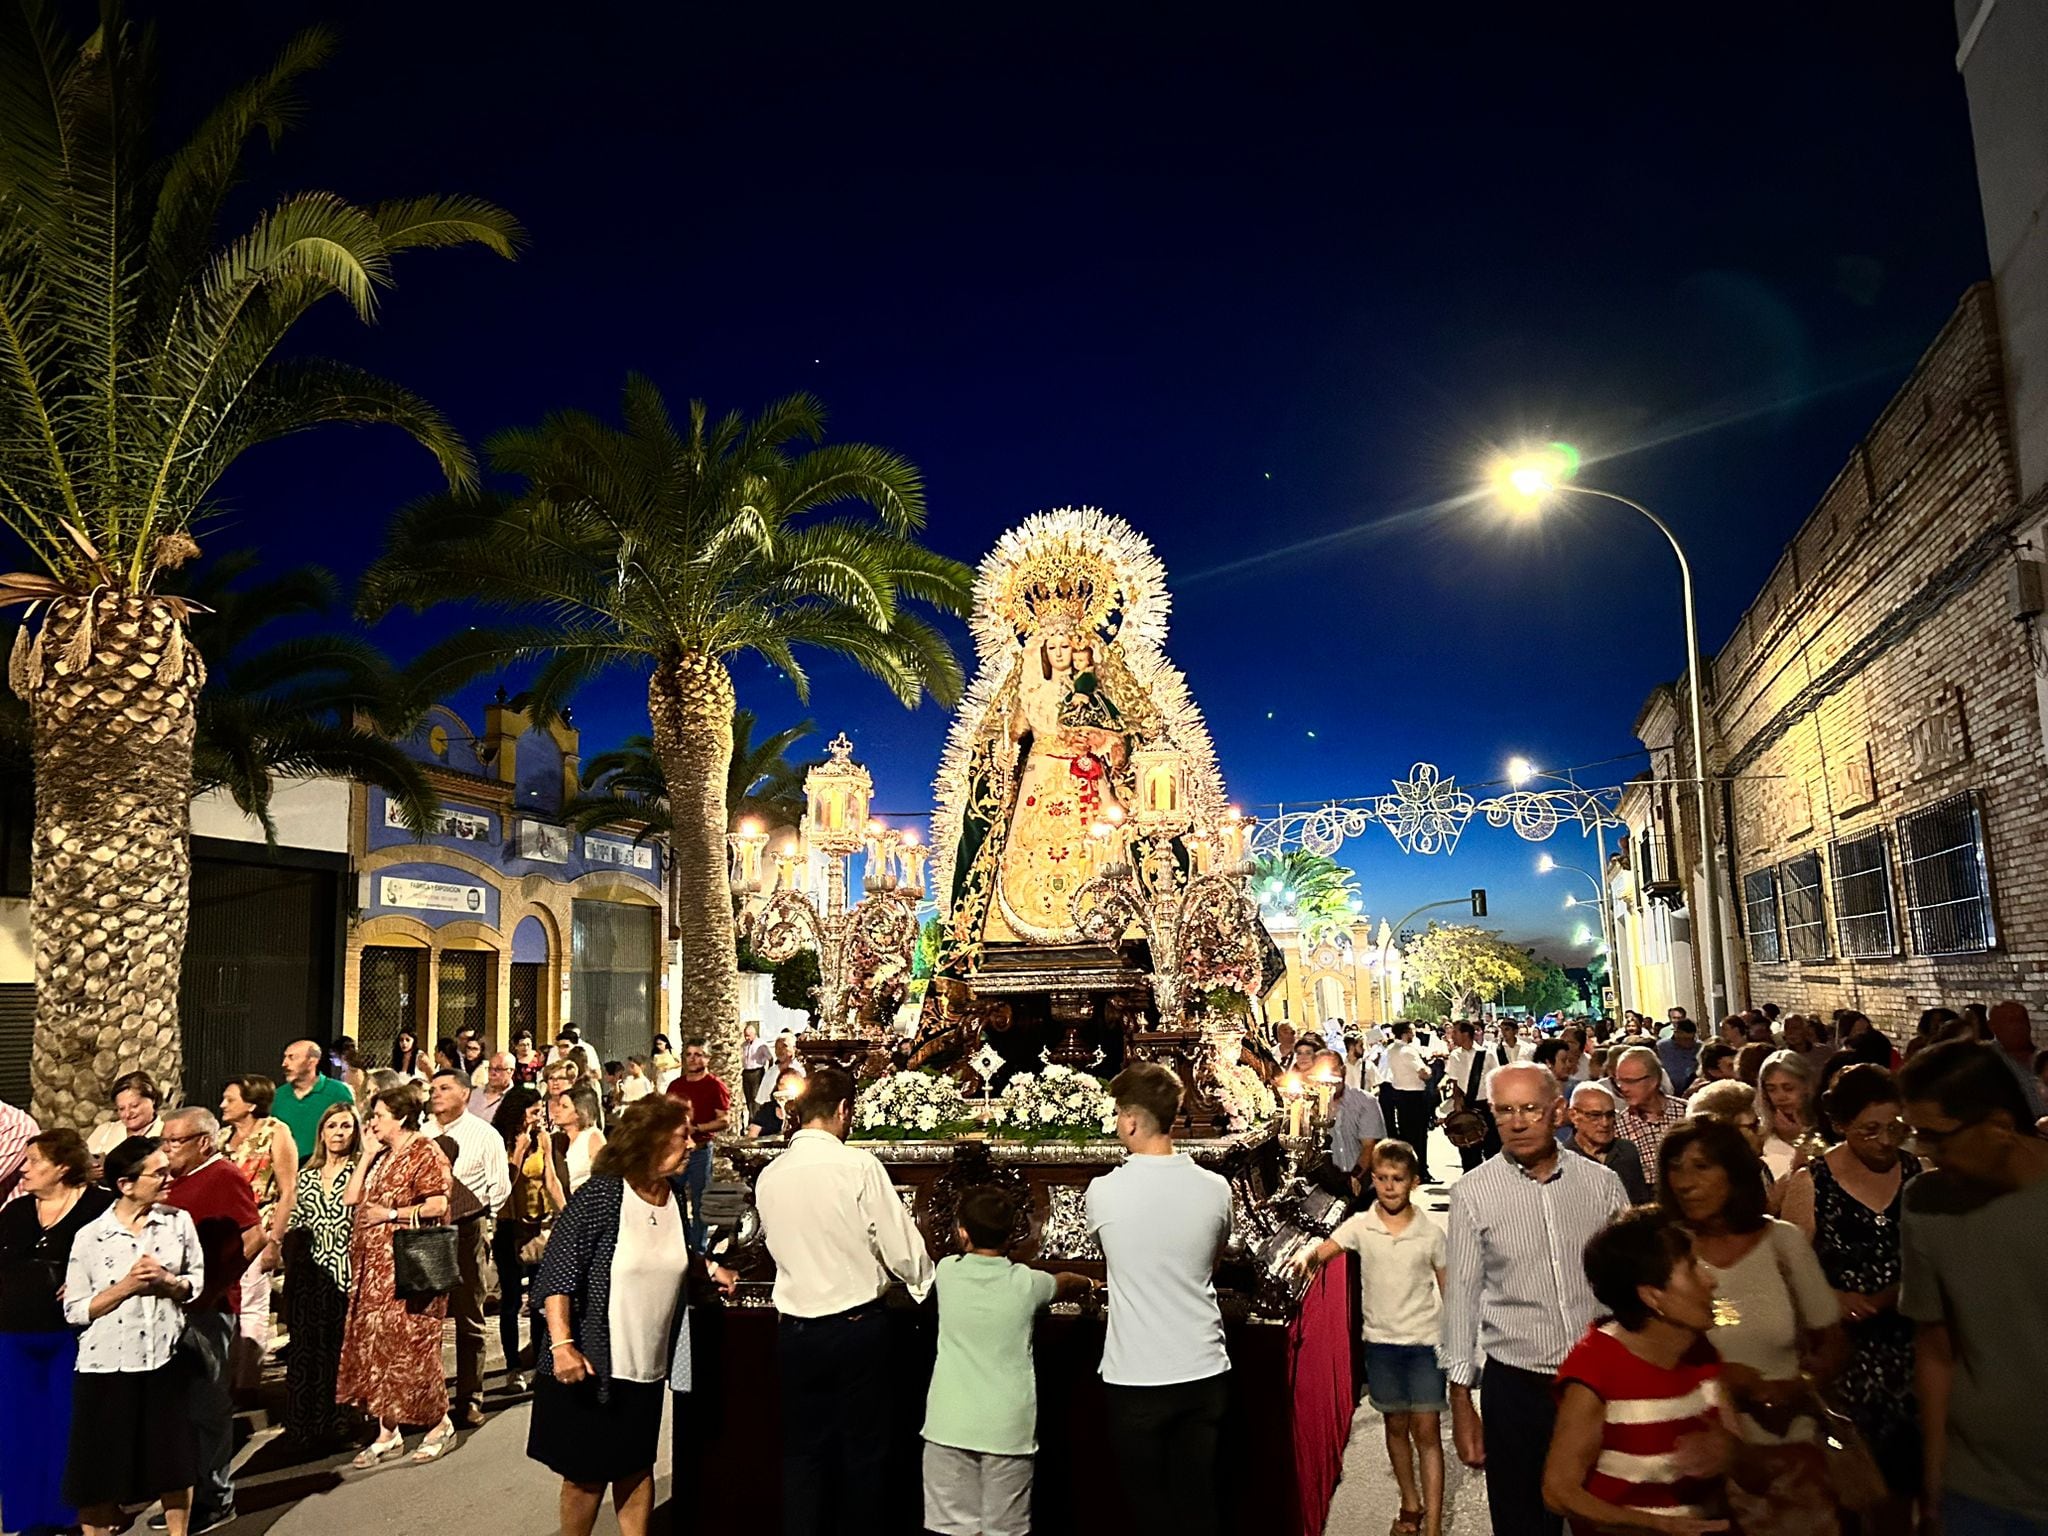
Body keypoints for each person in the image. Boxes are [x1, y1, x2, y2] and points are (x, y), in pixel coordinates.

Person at [529, 1094, 736, 1536]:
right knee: (586, 1477)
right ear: (651, 1140)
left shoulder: (674, 1195)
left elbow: (672, 1253)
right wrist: (563, 1345)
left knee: (636, 1466)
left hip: (647, 1366)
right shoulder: (602, 1196)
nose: (693, 1145)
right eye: (683, 1137)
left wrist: (710, 1267)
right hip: (592, 1364)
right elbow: (558, 1275)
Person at [1442, 1065, 1627, 1536]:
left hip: (1600, 1385)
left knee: (1609, 1516)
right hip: (1518, 1387)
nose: (1518, 1122)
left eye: (1530, 1109)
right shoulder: (1473, 1193)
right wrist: (1461, 1400)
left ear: (1558, 1111)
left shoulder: (1601, 1186)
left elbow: (1633, 1283)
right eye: (1505, 1110)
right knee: (1524, 1521)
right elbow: (1462, 1295)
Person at [755, 1065, 935, 1536]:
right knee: (864, 1456)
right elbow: (901, 1247)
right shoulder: (858, 1166)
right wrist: (925, 1285)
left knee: (801, 1454)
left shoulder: (771, 1175)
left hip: (794, 1330)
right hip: (855, 1329)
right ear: (842, 1111)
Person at [1659, 1119, 1845, 1536]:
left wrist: (1797, 1385)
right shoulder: (1665, 1250)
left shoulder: (1783, 1242)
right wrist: (1724, 1380)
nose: (1685, 1183)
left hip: (1789, 1461)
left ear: (1735, 1172)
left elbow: (1832, 1343)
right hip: (1693, 1462)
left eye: (1702, 1167)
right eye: (1676, 1168)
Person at [1896, 1040, 2048, 1536]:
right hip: (1979, 1491)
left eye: (1937, 1137)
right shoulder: (1926, 1205)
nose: (1926, 1153)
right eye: (1916, 1136)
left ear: (2000, 1126)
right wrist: (1935, 1485)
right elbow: (1937, 1349)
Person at [1086, 1061, 1232, 1536]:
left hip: (1136, 1375)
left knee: (1149, 1508)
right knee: (1200, 1502)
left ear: (1130, 1120)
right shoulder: (1215, 1189)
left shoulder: (1103, 1193)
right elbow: (1210, 1264)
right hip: (1203, 1367)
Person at [1776, 1066, 1920, 1529]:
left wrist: (1892, 1295)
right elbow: (1789, 1269)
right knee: (1854, 1483)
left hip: (1910, 1345)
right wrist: (1832, 1297)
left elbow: (1934, 1258)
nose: (1884, 1141)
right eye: (1870, 1130)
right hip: (1845, 1355)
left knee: (1908, 1483)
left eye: (1894, 1128)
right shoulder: (1814, 1183)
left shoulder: (1917, 1174)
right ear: (1840, 1126)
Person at [1543, 1206, 1733, 1535]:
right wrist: (1658, 1525)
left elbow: (1740, 1451)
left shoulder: (1702, 1353)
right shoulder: (1597, 1368)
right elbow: (1559, 1492)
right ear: (1652, 1296)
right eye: (1691, 1268)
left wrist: (1731, 1451)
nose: (1710, 1280)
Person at [922, 1184, 1092, 1536]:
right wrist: (1089, 1282)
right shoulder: (1027, 1284)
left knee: (949, 1527)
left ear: (962, 1233)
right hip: (1007, 1427)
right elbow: (1065, 1282)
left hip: (949, 1423)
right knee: (1005, 1529)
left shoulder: (948, 1272)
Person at [1297, 1141, 1448, 1536]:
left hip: (1423, 1344)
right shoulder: (1361, 1225)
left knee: (1427, 1433)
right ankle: (1410, 1502)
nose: (1388, 1187)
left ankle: (1432, 1523)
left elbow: (1450, 1290)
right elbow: (1327, 1249)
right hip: (1381, 1345)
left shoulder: (1430, 1234)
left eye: (1397, 1179)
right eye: (1381, 1178)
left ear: (1413, 1182)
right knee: (1395, 1427)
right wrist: (1306, 1257)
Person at [62, 1138, 204, 1536]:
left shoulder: (178, 1222)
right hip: (106, 1367)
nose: (169, 1178)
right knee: (98, 1474)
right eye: (158, 1173)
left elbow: (196, 1283)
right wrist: (125, 1287)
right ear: (126, 1184)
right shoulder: (91, 1237)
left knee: (174, 1465)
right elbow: (74, 1309)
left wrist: (168, 1282)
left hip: (164, 1359)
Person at [336, 1084, 456, 1466]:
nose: (372, 1123)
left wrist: (390, 1215)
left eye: (379, 1116)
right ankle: (387, 1431)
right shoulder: (382, 1155)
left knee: (413, 1347)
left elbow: (438, 1203)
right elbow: (352, 1199)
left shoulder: (424, 1151)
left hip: (409, 1268)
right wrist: (367, 1156)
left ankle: (439, 1423)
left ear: (401, 1117)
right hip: (373, 1269)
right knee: (375, 1346)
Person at [0, 1130, 112, 1536]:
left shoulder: (102, 1207)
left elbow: (123, 1256)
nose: (23, 1168)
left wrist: (94, 1281)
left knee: (67, 1425)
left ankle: (72, 1515)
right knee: (18, 1427)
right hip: (14, 1334)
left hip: (73, 1335)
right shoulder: (14, 1213)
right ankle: (29, 1519)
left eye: (33, 1161)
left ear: (63, 1166)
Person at [156, 1107, 257, 1533]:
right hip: (170, 1309)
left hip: (208, 1312)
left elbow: (253, 1236)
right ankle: (183, 1497)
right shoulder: (171, 1180)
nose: (166, 1148)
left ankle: (216, 1497)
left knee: (206, 1409)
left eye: (175, 1141)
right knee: (174, 1410)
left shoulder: (224, 1176)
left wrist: (212, 1286)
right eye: (164, 1141)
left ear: (203, 1141)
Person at [425, 1065, 512, 1428]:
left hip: (468, 1229)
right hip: (427, 1232)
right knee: (426, 1316)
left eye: (444, 1088)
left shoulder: (484, 1134)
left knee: (468, 1315)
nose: (436, 1094)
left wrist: (482, 1219)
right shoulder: (422, 1135)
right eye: (433, 1089)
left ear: (464, 1093)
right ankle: (428, 1399)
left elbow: (500, 1186)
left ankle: (470, 1397)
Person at [281, 1101, 364, 1449]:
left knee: (339, 1351)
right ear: (321, 1133)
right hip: (309, 1276)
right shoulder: (307, 1174)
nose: (338, 1134)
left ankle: (339, 1422)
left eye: (345, 1126)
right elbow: (296, 1221)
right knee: (304, 1350)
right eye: (332, 1126)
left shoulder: (361, 1173)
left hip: (347, 1274)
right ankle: (301, 1425)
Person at [218, 1074, 297, 1393]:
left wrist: (274, 1240)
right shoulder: (223, 1137)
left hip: (259, 1223)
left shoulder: (275, 1132)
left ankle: (246, 1382)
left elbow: (287, 1189)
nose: (223, 1104)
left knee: (252, 1302)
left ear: (251, 1104)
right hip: (223, 1229)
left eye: (231, 1099)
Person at [496, 1086, 564, 1391]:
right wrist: (519, 1152)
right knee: (511, 1300)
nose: (539, 1117)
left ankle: (539, 1361)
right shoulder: (500, 1139)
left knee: (540, 1298)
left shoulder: (542, 1138)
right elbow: (502, 1185)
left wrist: (567, 1213)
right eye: (534, 1111)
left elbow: (550, 1178)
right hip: (509, 1226)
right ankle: (513, 1367)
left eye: (541, 1111)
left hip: (539, 1225)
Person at [665, 1037, 732, 1250]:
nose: (693, 1059)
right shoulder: (675, 1086)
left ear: (707, 1058)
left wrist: (699, 1129)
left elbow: (724, 1120)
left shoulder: (715, 1086)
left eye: (698, 1054)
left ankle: (699, 1248)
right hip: (677, 1150)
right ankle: (680, 1243)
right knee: (674, 1198)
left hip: (700, 1151)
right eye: (689, 1054)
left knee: (700, 1200)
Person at [1558, 1081, 1652, 1202]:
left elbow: (1640, 1203)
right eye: (1595, 1115)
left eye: (1610, 1115)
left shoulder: (1627, 1151)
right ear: (1573, 1116)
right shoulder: (1563, 1160)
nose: (1605, 1123)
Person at [1443, 1019, 1509, 1171]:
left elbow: (1497, 1079)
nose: (1452, 1036)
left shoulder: (1487, 1054)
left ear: (1466, 1034)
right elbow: (1454, 1080)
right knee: (1468, 1148)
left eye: (1455, 1032)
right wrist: (1457, 1100)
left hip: (1486, 1104)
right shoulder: (1455, 1056)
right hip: (1467, 1105)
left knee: (1492, 1148)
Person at [1319, 1047, 1385, 1198]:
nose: (1329, 1078)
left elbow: (1369, 1146)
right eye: (1323, 1072)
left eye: (1333, 1070)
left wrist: (1355, 1176)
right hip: (1325, 1186)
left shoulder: (1365, 1102)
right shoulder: (1309, 1108)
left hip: (1363, 1182)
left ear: (1343, 1071)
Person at [275, 1039, 355, 1161]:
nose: (284, 1063)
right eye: (285, 1057)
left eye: (291, 1058)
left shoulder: (337, 1092)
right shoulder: (278, 1096)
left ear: (312, 1062)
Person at [1613, 1046, 1689, 1168]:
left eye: (1630, 1081)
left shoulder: (1687, 1113)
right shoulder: (1617, 1126)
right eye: (1619, 1082)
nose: (1623, 1088)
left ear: (1654, 1080)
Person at [1383, 1021, 1436, 1181]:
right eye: (1412, 1031)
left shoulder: (1391, 1049)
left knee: (1406, 1135)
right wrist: (1430, 1069)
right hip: (1414, 1095)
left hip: (1399, 1094)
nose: (1414, 1034)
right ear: (1405, 1033)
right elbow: (1423, 1073)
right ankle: (1421, 1171)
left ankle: (1408, 1170)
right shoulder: (1407, 1051)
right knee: (1419, 1136)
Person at [1756, 1050, 1820, 1183]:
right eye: (1771, 1089)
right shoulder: (1759, 1134)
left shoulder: (1825, 1127)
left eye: (1788, 1088)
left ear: (1806, 1087)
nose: (1781, 1097)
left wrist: (1800, 1139)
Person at [1985, 999, 2048, 1121]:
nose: (2020, 1026)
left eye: (2023, 1020)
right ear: (1993, 1026)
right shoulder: (1987, 1060)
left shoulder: (2042, 1057)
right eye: (2011, 1021)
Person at [86, 1072, 163, 1165]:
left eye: (134, 1106)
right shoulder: (104, 1131)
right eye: (121, 1109)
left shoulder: (165, 1132)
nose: (127, 1114)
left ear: (153, 1099)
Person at [550, 1083, 607, 1202]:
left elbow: (604, 1180)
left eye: (564, 1107)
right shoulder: (559, 1139)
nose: (557, 1111)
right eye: (558, 1105)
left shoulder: (593, 1137)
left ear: (580, 1112)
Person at [746, 1069, 804, 1140]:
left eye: (789, 1085)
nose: (784, 1088)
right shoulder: (767, 1109)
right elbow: (753, 1133)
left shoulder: (804, 1109)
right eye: (782, 1084)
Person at [754, 1031, 805, 1106]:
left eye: (784, 1046)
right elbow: (762, 1100)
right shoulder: (770, 1073)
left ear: (794, 1048)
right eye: (777, 1047)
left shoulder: (801, 1070)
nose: (780, 1050)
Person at [471, 1052, 515, 1124]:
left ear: (511, 1071)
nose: (492, 1073)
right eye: (490, 1068)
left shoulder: (516, 1099)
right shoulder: (474, 1094)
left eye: (498, 1069)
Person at [739, 1022, 768, 1106]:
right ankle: (751, 1115)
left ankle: (756, 1116)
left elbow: (770, 1058)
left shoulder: (761, 1044)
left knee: (756, 1095)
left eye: (748, 1035)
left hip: (757, 1072)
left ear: (754, 1034)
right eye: (745, 1035)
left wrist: (768, 1071)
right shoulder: (744, 1045)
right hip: (746, 1072)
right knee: (748, 1096)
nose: (747, 1038)